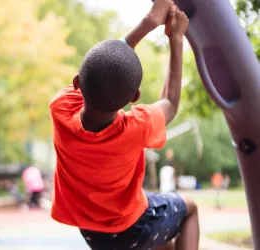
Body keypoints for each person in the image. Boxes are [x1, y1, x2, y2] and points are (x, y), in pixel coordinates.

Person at [49, 1, 199, 249]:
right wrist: (176, 39)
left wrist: (147, 23)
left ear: (77, 82)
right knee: (189, 210)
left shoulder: (61, 108)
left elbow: (100, 69)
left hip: (92, 232)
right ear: (135, 96)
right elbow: (170, 102)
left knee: (166, 246)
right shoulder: (136, 127)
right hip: (133, 227)